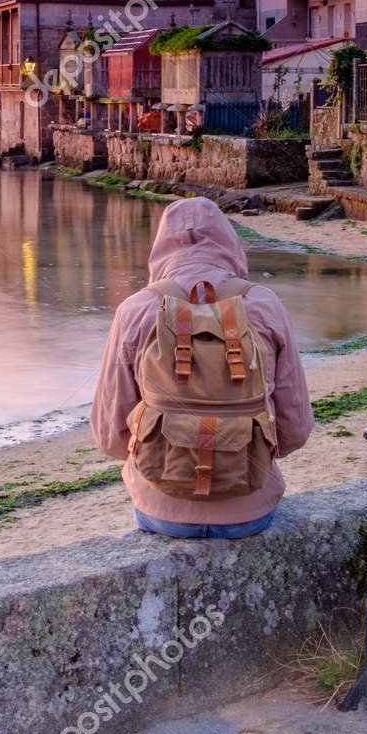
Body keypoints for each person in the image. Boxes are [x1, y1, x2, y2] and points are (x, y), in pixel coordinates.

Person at [91, 196, 313, 538]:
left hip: (161, 510)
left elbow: (109, 435)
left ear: (160, 247)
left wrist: (169, 447)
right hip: (251, 510)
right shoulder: (264, 305)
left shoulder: (135, 311)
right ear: (230, 242)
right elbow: (295, 428)